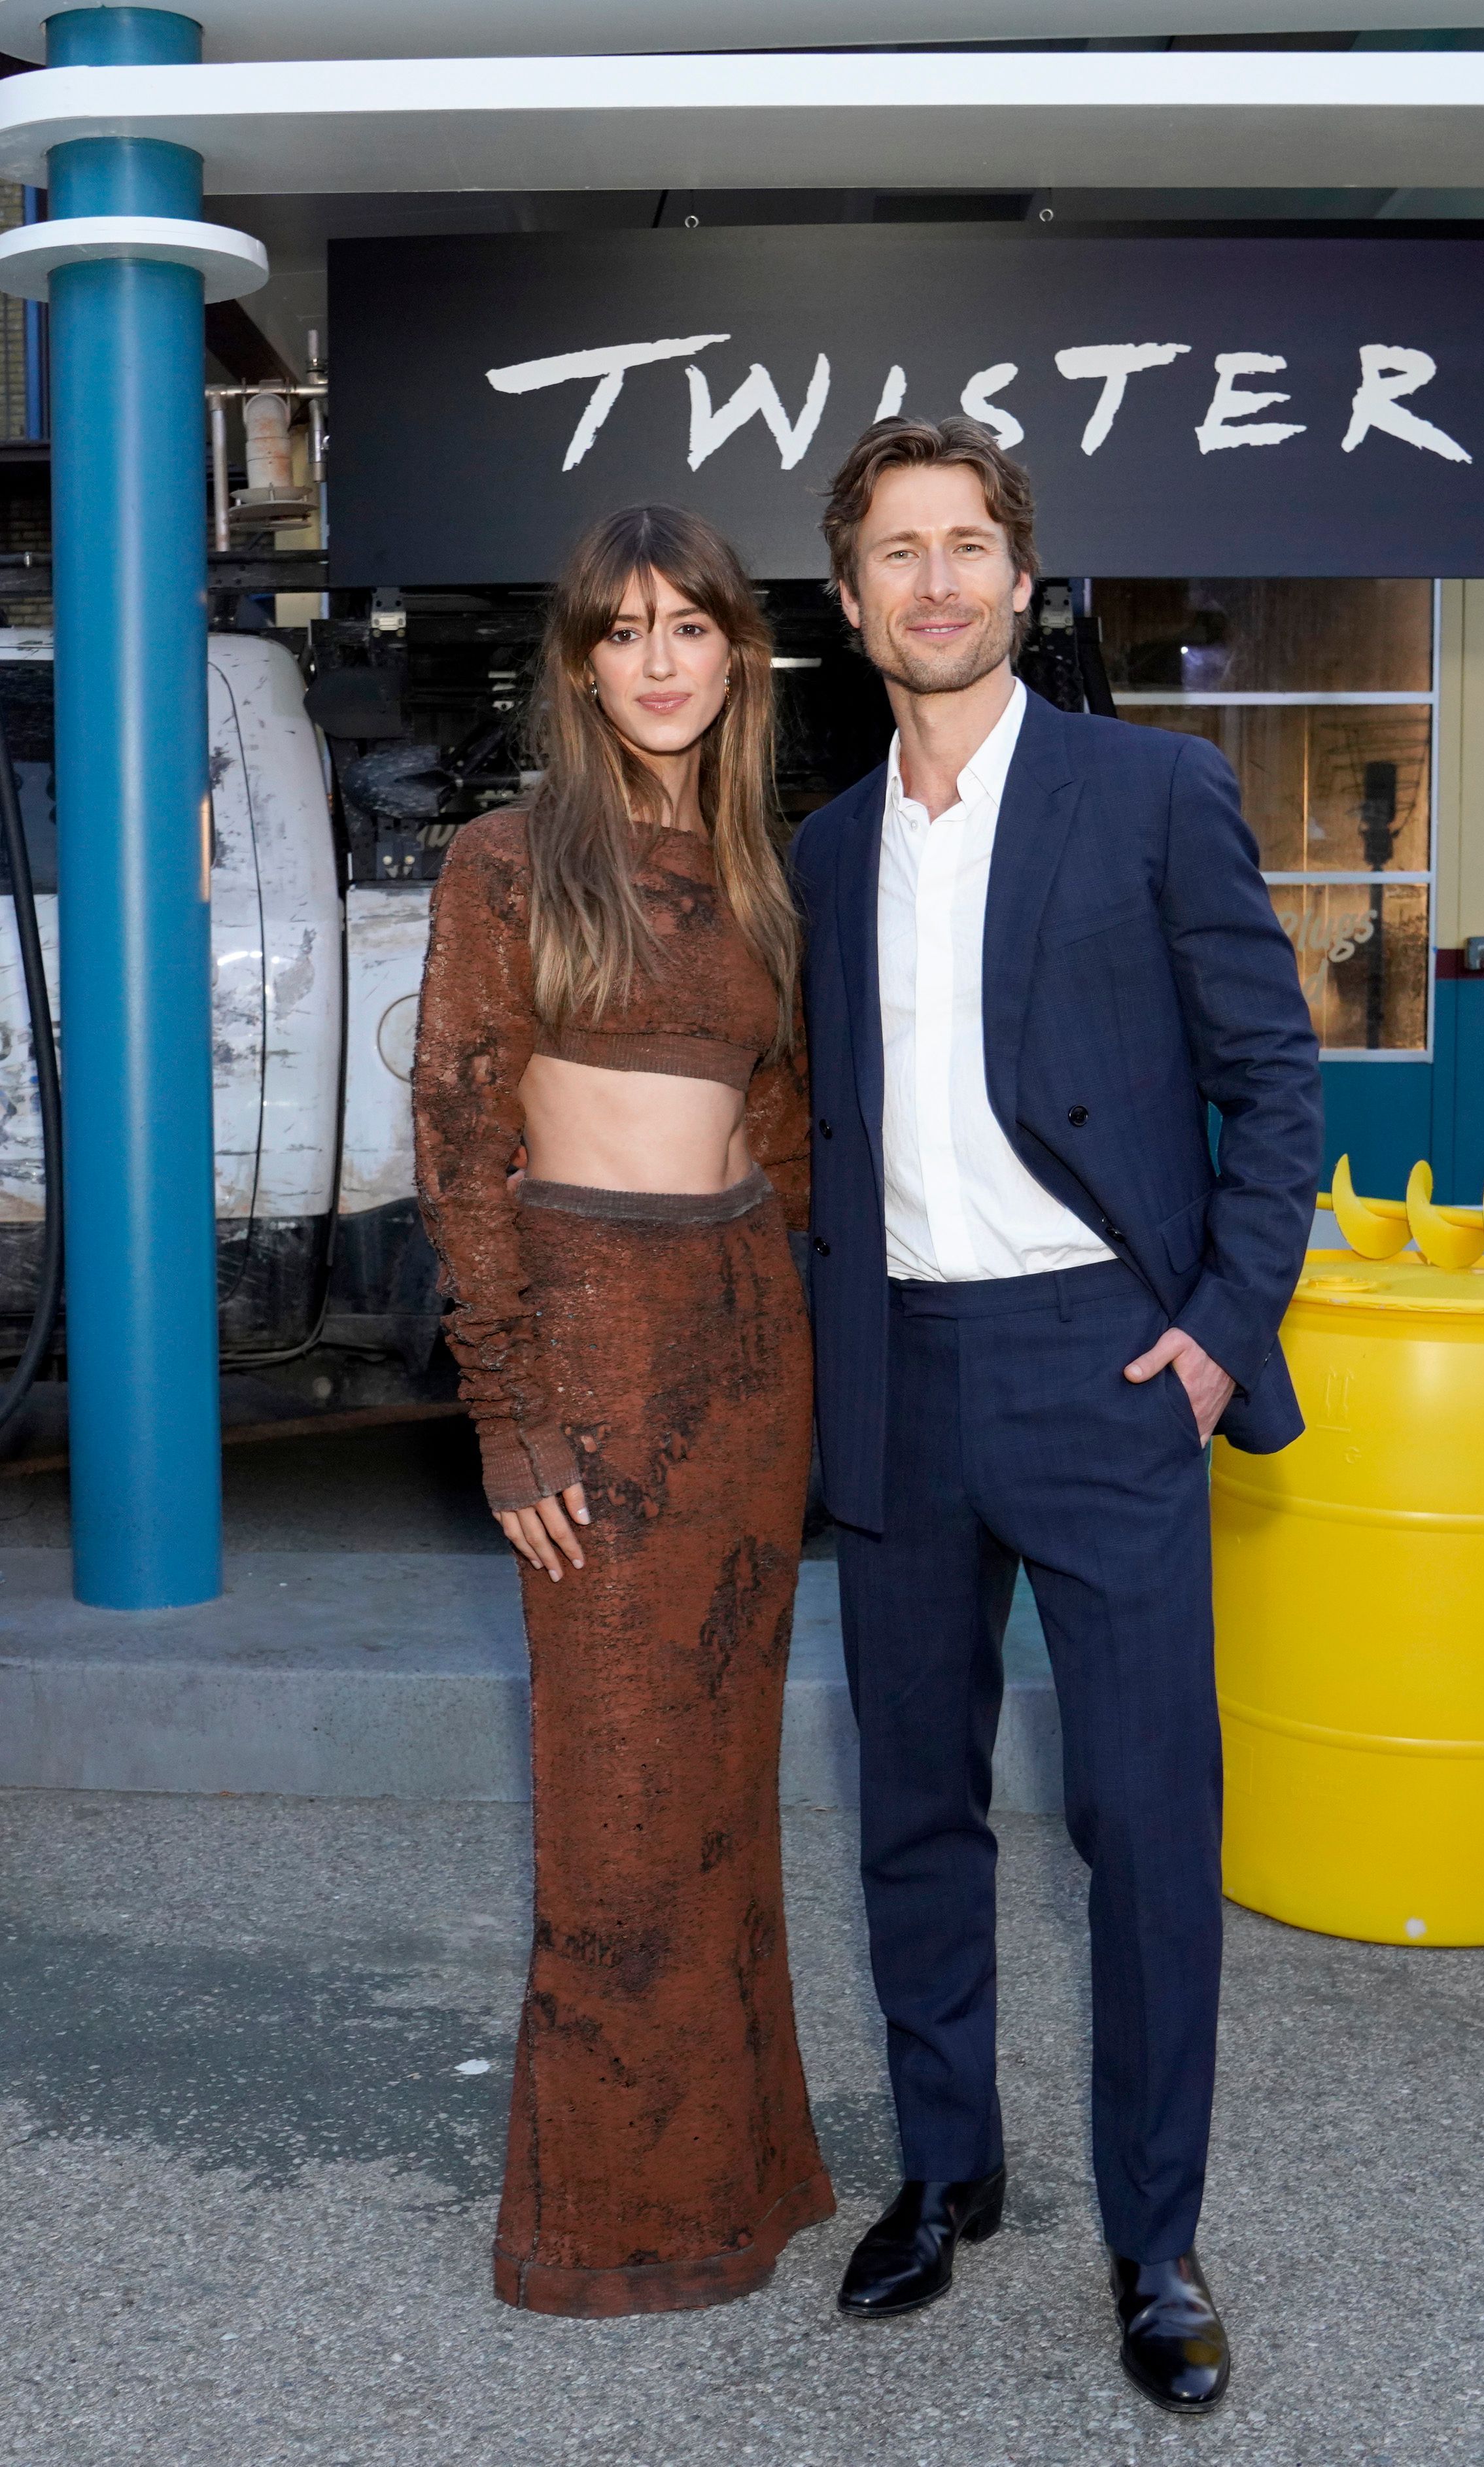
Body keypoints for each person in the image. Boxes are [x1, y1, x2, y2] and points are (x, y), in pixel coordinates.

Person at [791, 419, 1320, 2411]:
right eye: (893, 555)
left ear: (1020, 577)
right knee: (912, 1804)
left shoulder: (1153, 795)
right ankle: (947, 2172)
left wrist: (1206, 1336)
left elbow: (1274, 1090)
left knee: (1137, 1812)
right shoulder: (825, 851)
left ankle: (1155, 2236)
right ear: (846, 608)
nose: (932, 583)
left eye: (965, 546)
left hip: (1107, 1366)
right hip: (899, 1375)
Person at [413, 504, 834, 2319]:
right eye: (625, 629)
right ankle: (604, 2225)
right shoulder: (504, 863)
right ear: (579, 663)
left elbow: (787, 1137)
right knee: (615, 1808)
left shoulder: (760, 869)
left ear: (738, 654)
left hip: (744, 1360)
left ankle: (749, 2176)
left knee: (727, 1795)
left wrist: (785, 1329)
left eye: (693, 626)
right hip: (586, 1353)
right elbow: (457, 1144)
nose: (661, 658)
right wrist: (509, 1410)